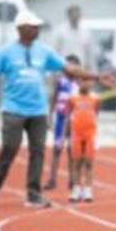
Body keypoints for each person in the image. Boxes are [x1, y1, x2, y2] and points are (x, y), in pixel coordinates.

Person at [0, 9, 114, 208]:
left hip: (38, 110)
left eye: (38, 26)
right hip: (13, 108)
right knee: (10, 148)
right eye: (33, 26)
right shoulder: (5, 53)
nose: (37, 29)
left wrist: (96, 77)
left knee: (38, 152)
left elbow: (69, 69)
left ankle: (33, 193)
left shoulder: (44, 51)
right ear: (20, 28)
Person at [44, 54, 80, 190]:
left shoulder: (79, 83)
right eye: (68, 66)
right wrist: (50, 116)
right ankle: (52, 179)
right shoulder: (60, 81)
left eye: (73, 66)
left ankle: (72, 180)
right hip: (60, 117)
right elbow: (53, 98)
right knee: (57, 149)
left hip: (75, 120)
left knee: (72, 150)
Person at [68, 76, 100, 202]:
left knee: (89, 162)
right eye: (82, 80)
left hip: (90, 134)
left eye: (87, 80)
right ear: (78, 82)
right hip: (76, 133)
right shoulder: (72, 98)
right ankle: (76, 189)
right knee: (76, 162)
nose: (85, 83)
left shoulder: (95, 98)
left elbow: (96, 113)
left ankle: (88, 190)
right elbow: (69, 114)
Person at [53, 5, 96, 71]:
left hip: (81, 69)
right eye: (73, 15)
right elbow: (55, 51)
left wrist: (90, 68)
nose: (75, 17)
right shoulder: (60, 31)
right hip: (65, 69)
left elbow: (89, 54)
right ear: (68, 16)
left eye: (77, 15)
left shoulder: (86, 32)